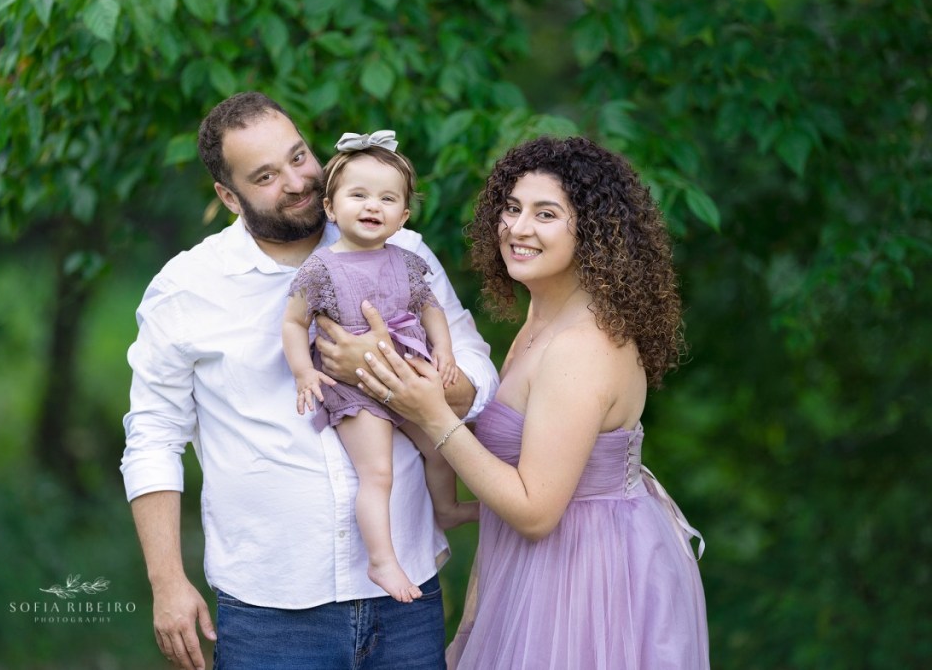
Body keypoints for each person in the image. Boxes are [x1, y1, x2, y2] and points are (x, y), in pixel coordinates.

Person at [121, 92, 498, 670]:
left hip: (407, 597)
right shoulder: (187, 288)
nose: (296, 181)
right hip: (271, 611)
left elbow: (476, 374)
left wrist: (389, 371)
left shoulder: (402, 251)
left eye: (299, 157)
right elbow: (152, 437)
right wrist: (168, 582)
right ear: (228, 195)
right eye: (266, 175)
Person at [356, 135, 710, 669]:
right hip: (534, 570)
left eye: (546, 214)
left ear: (592, 232)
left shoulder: (582, 346)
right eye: (512, 208)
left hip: (585, 585)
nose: (518, 229)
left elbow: (534, 511)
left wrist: (432, 411)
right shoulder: (542, 318)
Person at [282, 130, 474, 604]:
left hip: (407, 376)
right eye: (359, 195)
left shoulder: (407, 260)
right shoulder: (321, 269)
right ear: (330, 207)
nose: (373, 206)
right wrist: (305, 373)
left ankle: (446, 509)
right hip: (356, 391)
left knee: (442, 443)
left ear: (403, 216)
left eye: (387, 199)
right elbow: (292, 323)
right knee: (378, 474)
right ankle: (382, 561)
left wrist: (445, 352)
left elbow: (431, 309)